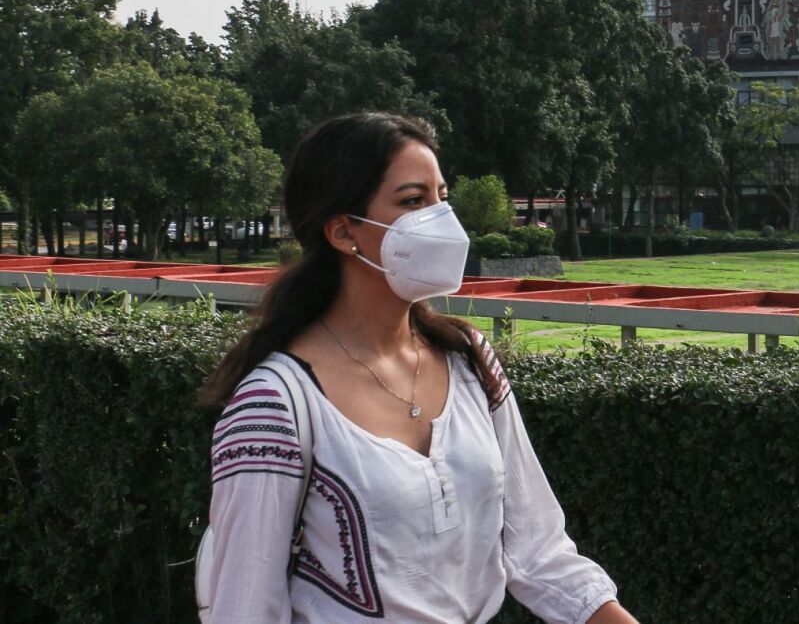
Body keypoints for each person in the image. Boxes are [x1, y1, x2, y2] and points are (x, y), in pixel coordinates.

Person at [200, 112, 638, 624]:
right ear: (344, 232)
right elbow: (243, 607)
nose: (441, 220)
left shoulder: (470, 359)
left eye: (441, 197)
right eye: (413, 201)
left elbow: (540, 553)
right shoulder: (275, 404)